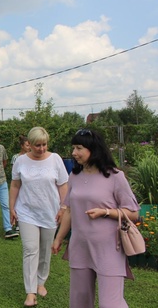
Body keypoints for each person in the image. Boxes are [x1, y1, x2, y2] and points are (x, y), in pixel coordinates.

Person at [52, 129, 140, 308]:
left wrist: (105, 212)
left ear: (94, 149)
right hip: (80, 246)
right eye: (73, 148)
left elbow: (133, 212)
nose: (74, 153)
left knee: (111, 304)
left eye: (79, 148)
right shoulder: (75, 176)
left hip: (109, 249)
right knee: (79, 302)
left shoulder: (115, 177)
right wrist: (59, 238)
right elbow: (68, 210)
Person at [9, 127, 69, 307]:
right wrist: (12, 208)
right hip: (27, 212)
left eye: (44, 145)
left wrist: (63, 207)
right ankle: (30, 292)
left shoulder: (55, 159)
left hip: (50, 213)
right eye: (37, 145)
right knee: (30, 249)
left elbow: (63, 186)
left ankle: (41, 281)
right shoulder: (20, 161)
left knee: (45, 250)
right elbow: (15, 185)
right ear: (29, 144)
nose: (41, 148)